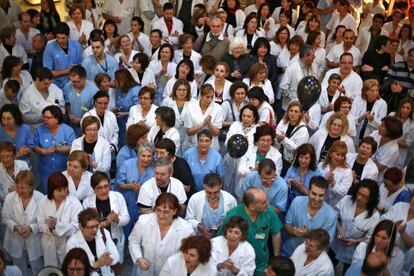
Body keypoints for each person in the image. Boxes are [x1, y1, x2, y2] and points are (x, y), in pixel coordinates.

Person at [218, 188, 282, 275]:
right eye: (263, 203)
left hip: (261, 263)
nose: (267, 204)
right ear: (252, 206)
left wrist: (276, 257)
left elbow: (276, 233)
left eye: (266, 200)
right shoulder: (233, 215)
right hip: (239, 263)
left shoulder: (269, 211)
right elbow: (222, 239)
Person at [129, 192, 193, 276]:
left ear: (175, 211)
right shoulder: (143, 221)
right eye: (158, 210)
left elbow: (187, 255)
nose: (161, 215)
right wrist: (139, 258)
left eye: (166, 212)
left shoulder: (186, 229)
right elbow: (133, 241)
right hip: (146, 271)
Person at [330, 179, 380, 274]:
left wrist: (355, 241)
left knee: (348, 272)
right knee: (329, 265)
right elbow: (333, 216)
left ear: (371, 198)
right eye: (359, 193)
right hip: (336, 244)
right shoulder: (346, 200)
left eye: (365, 196)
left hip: (352, 252)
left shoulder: (374, 216)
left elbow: (370, 237)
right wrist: (339, 228)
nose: (359, 197)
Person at [1, 170, 44, 275]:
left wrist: (31, 228)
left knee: (37, 267)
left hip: (34, 239)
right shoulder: (10, 198)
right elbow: (5, 217)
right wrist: (16, 227)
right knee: (18, 269)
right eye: (18, 187)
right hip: (15, 237)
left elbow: (43, 221)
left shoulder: (41, 198)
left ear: (31, 187)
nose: (20, 191)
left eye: (24, 188)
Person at [283, 176, 336, 256]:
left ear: (326, 195)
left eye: (321, 195)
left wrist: (309, 234)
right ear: (308, 191)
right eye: (314, 194)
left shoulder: (331, 215)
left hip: (311, 257)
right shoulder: (297, 202)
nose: (317, 198)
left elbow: (326, 242)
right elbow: (287, 224)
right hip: (290, 250)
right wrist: (293, 230)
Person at [37, 172, 83, 267]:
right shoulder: (43, 202)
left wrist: (57, 225)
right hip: (49, 243)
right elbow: (40, 223)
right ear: (51, 190)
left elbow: (77, 227)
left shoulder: (74, 203)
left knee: (68, 269)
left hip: (68, 243)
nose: (63, 193)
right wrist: (50, 228)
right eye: (59, 190)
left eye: (65, 189)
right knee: (52, 270)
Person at [82, 171, 130, 262]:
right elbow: (86, 227)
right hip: (97, 241)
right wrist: (106, 222)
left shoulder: (118, 197)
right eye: (99, 188)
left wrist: (117, 219)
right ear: (93, 189)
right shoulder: (87, 202)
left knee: (116, 266)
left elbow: (127, 218)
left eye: (106, 186)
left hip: (115, 238)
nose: (104, 191)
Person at [33, 106, 76, 194]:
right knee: (47, 194)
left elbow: (73, 147)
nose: (45, 119)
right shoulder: (39, 129)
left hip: (63, 170)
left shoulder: (68, 130)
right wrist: (43, 151)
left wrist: (59, 149)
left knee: (63, 194)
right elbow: (34, 146)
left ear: (56, 119)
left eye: (48, 117)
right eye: (44, 117)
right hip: (45, 171)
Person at [115, 142, 155, 237]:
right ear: (138, 154)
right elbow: (118, 184)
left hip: (145, 207)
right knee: (125, 233)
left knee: (143, 235)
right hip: (127, 204)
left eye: (149, 156)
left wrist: (142, 189)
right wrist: (130, 186)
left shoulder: (154, 169)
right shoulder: (127, 164)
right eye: (143, 155)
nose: (146, 159)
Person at [66, 208, 120, 275]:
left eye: (97, 226)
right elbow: (76, 270)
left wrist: (107, 260)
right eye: (91, 227)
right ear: (81, 227)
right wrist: (97, 264)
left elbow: (116, 256)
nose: (95, 230)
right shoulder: (72, 243)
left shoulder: (103, 233)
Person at [223, 103, 258, 196]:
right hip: (231, 158)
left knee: (240, 188)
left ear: (254, 118)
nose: (246, 118)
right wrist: (238, 142)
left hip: (246, 161)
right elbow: (227, 142)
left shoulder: (257, 129)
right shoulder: (235, 125)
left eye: (249, 116)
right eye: (244, 116)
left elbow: (255, 148)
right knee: (227, 184)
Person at [43, 22, 83, 89]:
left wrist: (76, 68)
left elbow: (81, 65)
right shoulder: (49, 48)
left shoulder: (76, 46)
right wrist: (67, 71)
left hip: (74, 84)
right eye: (58, 38)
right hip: (56, 86)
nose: (60, 40)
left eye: (63, 38)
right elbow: (47, 72)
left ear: (68, 35)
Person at [161, 79, 196, 155]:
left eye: (184, 90)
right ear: (175, 90)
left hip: (188, 137)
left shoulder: (194, 102)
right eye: (179, 89)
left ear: (188, 91)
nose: (181, 92)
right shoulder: (167, 101)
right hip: (171, 135)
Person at [275, 100, 309, 176]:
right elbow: (276, 134)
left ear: (300, 114)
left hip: (290, 162)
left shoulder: (303, 130)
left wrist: (284, 139)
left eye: (296, 111)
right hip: (278, 156)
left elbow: (298, 149)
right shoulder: (283, 121)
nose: (293, 113)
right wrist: (278, 138)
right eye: (291, 111)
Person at [184, 84, 223, 150]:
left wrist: (209, 124)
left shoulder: (217, 108)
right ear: (201, 96)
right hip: (193, 145)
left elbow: (217, 133)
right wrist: (203, 124)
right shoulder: (190, 107)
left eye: (211, 97)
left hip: (211, 146)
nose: (210, 100)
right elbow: (189, 132)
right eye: (207, 97)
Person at [64, 65, 99, 136]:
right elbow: (67, 102)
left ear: (84, 78)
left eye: (76, 82)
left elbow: (96, 113)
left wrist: (81, 120)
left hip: (87, 127)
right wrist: (69, 114)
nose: (73, 84)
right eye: (71, 81)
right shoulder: (68, 87)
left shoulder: (94, 92)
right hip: (71, 126)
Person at [279, 45, 316, 111]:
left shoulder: (312, 67)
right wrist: (294, 100)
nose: (314, 57)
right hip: (289, 108)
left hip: (304, 107)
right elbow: (283, 87)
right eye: (313, 55)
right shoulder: (291, 68)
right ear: (306, 56)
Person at [318, 140, 353, 206]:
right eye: (337, 154)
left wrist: (333, 182)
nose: (340, 158)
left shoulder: (347, 172)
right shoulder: (321, 165)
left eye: (342, 155)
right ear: (331, 153)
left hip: (334, 207)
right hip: (317, 203)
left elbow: (343, 193)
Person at [352, 79, 387, 144]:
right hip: (356, 133)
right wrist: (362, 117)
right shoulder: (357, 99)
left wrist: (373, 119)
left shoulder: (382, 104)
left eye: (376, 90)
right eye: (372, 91)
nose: (375, 93)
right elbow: (351, 118)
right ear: (365, 91)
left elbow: (382, 125)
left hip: (371, 135)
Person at [370, 116, 403, 181]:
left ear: (390, 131)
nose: (380, 126)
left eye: (382, 126)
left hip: (376, 177)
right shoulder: (375, 134)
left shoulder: (393, 149)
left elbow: (379, 167)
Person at [381, 47, 414, 113]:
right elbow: (386, 80)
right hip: (393, 97)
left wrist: (402, 90)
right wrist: (394, 86)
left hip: (409, 102)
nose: (411, 58)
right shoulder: (397, 65)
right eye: (410, 55)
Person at [113, 69, 140, 148]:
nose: (114, 82)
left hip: (131, 122)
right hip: (120, 124)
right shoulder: (118, 89)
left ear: (122, 80)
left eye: (116, 80)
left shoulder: (136, 90)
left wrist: (125, 113)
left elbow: (139, 109)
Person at [0, 142, 30, 206]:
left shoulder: (23, 165)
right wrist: (9, 192)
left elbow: (29, 185)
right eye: (2, 157)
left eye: (8, 156)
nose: (5, 160)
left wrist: (15, 189)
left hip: (24, 201)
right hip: (6, 204)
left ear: (14, 156)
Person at [391, 97, 414, 168]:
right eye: (403, 107)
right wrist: (400, 141)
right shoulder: (392, 116)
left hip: (399, 155)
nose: (405, 110)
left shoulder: (412, 125)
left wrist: (391, 139)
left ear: (411, 110)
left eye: (408, 108)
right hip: (385, 150)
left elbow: (407, 144)